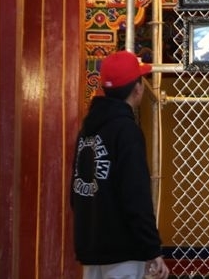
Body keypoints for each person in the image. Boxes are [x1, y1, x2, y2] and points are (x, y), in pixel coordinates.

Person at [71, 51, 169, 279]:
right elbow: (135, 195)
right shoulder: (126, 131)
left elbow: (75, 193)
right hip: (123, 250)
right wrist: (151, 248)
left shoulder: (86, 131)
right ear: (137, 89)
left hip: (91, 248)